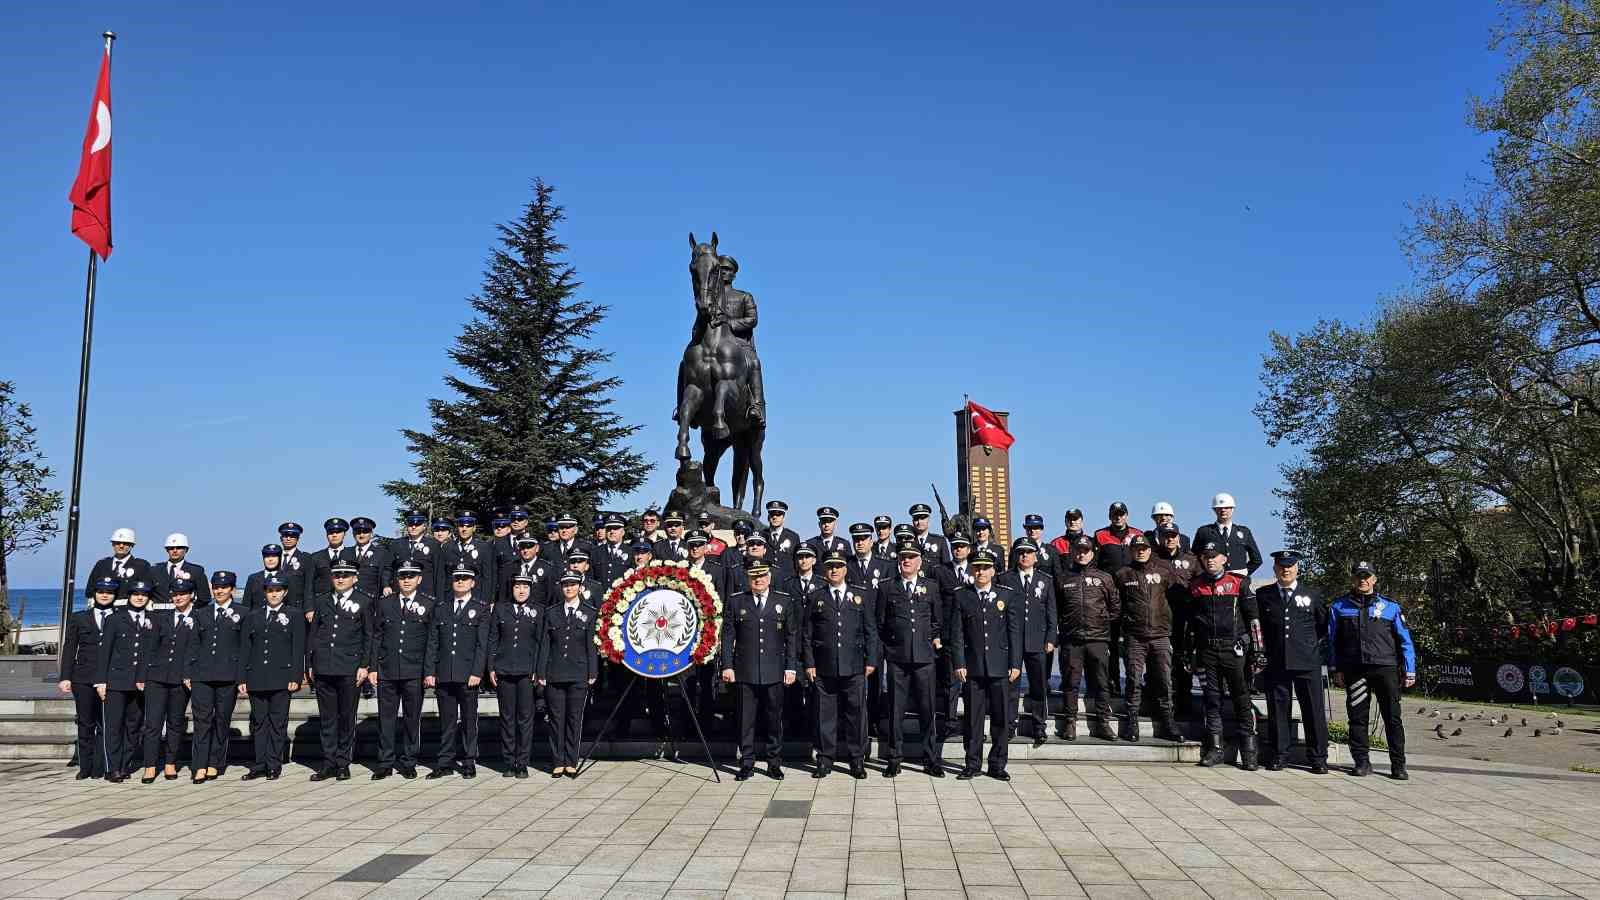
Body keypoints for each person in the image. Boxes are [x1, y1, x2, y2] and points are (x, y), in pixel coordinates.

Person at [1329, 560, 1416, 780]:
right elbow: (1331, 641)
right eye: (1359, 576)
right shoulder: (1339, 607)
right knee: (1357, 718)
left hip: (1385, 669)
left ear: (1374, 580)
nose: (1362, 580)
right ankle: (1361, 762)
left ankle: (1398, 765)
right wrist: (1335, 668)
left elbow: (1405, 641)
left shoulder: (1390, 607)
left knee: (1392, 718)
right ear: (1352, 579)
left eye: (1367, 576)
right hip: (1355, 671)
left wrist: (1410, 669)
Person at [1187, 540, 1262, 769]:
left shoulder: (1239, 583)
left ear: (1224, 559)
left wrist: (1258, 650)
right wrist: (1188, 651)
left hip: (1234, 650)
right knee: (1212, 700)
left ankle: (1249, 750)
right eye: (1206, 556)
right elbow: (1190, 625)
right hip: (1207, 651)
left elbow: (1254, 620)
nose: (1210, 559)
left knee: (1241, 699)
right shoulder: (1196, 586)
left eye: (1215, 555)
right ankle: (1215, 748)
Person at [801, 550, 876, 779]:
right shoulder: (816, 597)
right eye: (830, 566)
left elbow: (870, 632)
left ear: (845, 569)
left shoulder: (860, 596)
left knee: (856, 715)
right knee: (825, 715)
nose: (834, 569)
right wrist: (810, 663)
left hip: (854, 667)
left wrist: (871, 660)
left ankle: (856, 760)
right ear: (825, 569)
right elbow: (807, 634)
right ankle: (824, 759)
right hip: (824, 668)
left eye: (838, 566)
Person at [721, 559, 798, 780]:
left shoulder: (783, 600)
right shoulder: (737, 601)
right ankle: (747, 762)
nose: (759, 580)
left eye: (762, 576)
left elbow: (791, 636)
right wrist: (728, 665)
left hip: (775, 671)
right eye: (754, 576)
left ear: (770, 577)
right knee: (746, 720)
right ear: (748, 578)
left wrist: (791, 667)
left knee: (774, 719)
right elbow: (727, 636)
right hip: (745, 671)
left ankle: (774, 762)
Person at [1255, 550, 1330, 774]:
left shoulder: (1313, 594)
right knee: (1278, 711)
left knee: (1314, 711)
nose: (1285, 569)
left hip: (1307, 662)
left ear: (1297, 568)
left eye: (1290, 565)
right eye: (1281, 566)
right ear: (1275, 569)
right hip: (1277, 661)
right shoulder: (1264, 595)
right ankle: (1280, 755)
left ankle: (1318, 757)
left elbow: (1322, 626)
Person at [949, 550, 1022, 780]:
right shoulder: (962, 596)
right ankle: (972, 763)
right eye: (976, 567)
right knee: (973, 719)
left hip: (1000, 667)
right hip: (973, 668)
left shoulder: (1006, 595)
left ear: (993, 570)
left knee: (1000, 718)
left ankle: (997, 764)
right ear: (972, 570)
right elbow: (957, 634)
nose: (980, 571)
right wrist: (959, 662)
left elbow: (1014, 633)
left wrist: (1015, 663)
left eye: (985, 567)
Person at [878, 540, 946, 777]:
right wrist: (889, 649)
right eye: (902, 556)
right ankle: (894, 759)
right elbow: (881, 622)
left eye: (910, 556)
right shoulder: (887, 587)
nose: (905, 560)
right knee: (896, 710)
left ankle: (931, 759)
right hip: (897, 659)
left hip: (925, 659)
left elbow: (937, 620)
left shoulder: (931, 587)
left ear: (920, 561)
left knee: (927, 711)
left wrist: (932, 641)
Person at [369, 559, 437, 780]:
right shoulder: (385, 604)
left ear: (419, 579)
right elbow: (376, 636)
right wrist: (373, 667)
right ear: (397, 580)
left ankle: (409, 761)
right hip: (387, 669)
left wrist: (429, 671)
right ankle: (385, 762)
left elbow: (431, 641)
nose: (406, 580)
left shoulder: (429, 603)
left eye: (411, 576)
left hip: (414, 670)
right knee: (386, 718)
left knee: (411, 718)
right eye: (402, 577)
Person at [306, 560, 373, 781]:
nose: (340, 579)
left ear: (355, 578)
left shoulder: (364, 601)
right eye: (336, 575)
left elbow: (368, 636)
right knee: (327, 719)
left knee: (346, 718)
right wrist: (310, 664)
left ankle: (343, 763)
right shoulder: (322, 601)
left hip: (349, 668)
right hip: (324, 667)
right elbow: (313, 635)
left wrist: (365, 665)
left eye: (345, 575)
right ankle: (328, 763)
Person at [1114, 535, 1184, 742]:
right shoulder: (1123, 574)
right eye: (1137, 548)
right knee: (1134, 679)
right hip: (1135, 636)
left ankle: (1167, 720)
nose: (1141, 551)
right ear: (1131, 551)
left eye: (1144, 548)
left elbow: (1178, 596)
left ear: (1150, 550)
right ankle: (1132, 720)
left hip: (1161, 635)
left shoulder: (1163, 570)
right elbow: (1116, 607)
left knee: (1164, 679)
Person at [1053, 534, 1118, 741]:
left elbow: (1115, 607)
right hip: (1072, 639)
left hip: (1098, 639)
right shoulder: (1063, 578)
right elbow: (1056, 608)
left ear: (1092, 552)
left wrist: (1101, 620)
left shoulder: (1104, 577)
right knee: (1071, 682)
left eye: (1086, 551)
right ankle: (1070, 722)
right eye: (1078, 551)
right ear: (1072, 552)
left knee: (1101, 682)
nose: (1081, 554)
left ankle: (1103, 722)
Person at [240, 576, 305, 781]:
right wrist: (242, 677)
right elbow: (245, 648)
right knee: (259, 722)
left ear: (285, 592)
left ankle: (274, 764)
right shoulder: (253, 615)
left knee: (278, 722)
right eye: (270, 590)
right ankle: (259, 764)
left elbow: (298, 647)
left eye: (278, 590)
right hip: (256, 676)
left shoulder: (294, 614)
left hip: (281, 676)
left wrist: (295, 675)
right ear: (265, 592)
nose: (274, 594)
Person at [427, 565, 489, 779]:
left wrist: (477, 672)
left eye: (465, 579)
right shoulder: (441, 607)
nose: (460, 582)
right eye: (457, 579)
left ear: (472, 583)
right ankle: (445, 762)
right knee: (447, 721)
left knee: (469, 720)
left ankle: (469, 760)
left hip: (468, 675)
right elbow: (433, 642)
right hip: (444, 673)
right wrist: (430, 671)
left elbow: (482, 645)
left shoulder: (480, 608)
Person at [95, 580, 155, 782]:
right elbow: (104, 652)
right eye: (136, 594)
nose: (140, 597)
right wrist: (101, 681)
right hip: (116, 681)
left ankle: (125, 764)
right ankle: (112, 767)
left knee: (134, 726)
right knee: (114, 726)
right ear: (129, 596)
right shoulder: (115, 619)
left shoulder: (153, 619)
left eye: (144, 594)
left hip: (141, 683)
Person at [998, 538, 1056, 746]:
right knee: (1011, 687)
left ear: (1035, 556)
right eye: (1020, 552)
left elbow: (1051, 612)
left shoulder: (1045, 580)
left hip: (1037, 642)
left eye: (1028, 552)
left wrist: (1051, 637)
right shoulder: (1004, 578)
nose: (1024, 556)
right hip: (1011, 643)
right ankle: (1009, 726)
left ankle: (1039, 727)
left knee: (1039, 686)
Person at [189, 572, 247, 783]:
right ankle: (199, 765)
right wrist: (189, 672)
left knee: (222, 721)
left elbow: (244, 649)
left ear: (232, 589)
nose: (219, 591)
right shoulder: (201, 613)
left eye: (223, 587)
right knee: (201, 721)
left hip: (228, 676)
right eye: (215, 587)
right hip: (202, 676)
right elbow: (193, 645)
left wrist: (242, 678)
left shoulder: (243, 612)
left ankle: (215, 762)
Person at [541, 569, 598, 777]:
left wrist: (593, 670)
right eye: (566, 585)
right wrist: (541, 671)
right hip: (555, 671)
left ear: (580, 587)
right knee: (556, 718)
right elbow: (545, 644)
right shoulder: (552, 612)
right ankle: (558, 760)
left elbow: (591, 645)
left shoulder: (590, 612)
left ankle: (571, 760)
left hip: (579, 672)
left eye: (573, 584)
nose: (569, 588)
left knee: (574, 718)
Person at [59, 577, 118, 779]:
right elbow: (69, 648)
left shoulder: (120, 617)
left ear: (114, 595)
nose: (104, 594)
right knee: (85, 723)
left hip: (111, 678)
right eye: (101, 591)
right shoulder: (79, 618)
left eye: (109, 592)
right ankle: (85, 766)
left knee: (106, 724)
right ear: (94, 593)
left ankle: (100, 767)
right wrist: (65, 676)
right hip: (82, 678)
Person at [142, 576, 199, 782]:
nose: (179, 597)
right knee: (153, 723)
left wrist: (190, 674)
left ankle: (170, 763)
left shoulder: (199, 618)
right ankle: (149, 765)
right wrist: (143, 675)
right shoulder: (161, 617)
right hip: (157, 677)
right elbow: (150, 648)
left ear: (191, 595)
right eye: (175, 594)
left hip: (180, 679)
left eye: (183, 594)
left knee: (175, 723)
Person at [489, 574, 544, 778]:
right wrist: (491, 667)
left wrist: (538, 669)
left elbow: (540, 643)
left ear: (530, 589)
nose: (521, 590)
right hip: (504, 669)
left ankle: (522, 762)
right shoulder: (501, 609)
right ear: (511, 589)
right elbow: (493, 639)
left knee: (525, 719)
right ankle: (509, 761)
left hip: (527, 672)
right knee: (507, 718)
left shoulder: (538, 610)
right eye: (517, 586)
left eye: (525, 587)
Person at [1154, 524, 1200, 718]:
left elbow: (1200, 586)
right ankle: (1162, 704)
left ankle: (1184, 702)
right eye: (1166, 536)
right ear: (1160, 538)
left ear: (1178, 538)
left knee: (1183, 663)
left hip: (1185, 620)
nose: (1170, 539)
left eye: (1173, 535)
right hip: (1160, 620)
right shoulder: (1153, 560)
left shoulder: (1191, 560)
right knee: (1160, 663)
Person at [1191, 493, 1263, 585]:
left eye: (1227, 507)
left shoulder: (1244, 532)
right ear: (1214, 510)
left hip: (1239, 582)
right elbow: (1194, 557)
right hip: (1213, 581)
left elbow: (1257, 560)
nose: (1223, 510)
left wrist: (1244, 573)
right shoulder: (1204, 532)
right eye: (1219, 508)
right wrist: (1206, 573)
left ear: (1232, 509)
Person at [441, 513, 495, 605]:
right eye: (461, 526)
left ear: (474, 528)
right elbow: (443, 576)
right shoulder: (447, 547)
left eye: (468, 526)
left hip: (476, 598)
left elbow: (487, 578)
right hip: (451, 599)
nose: (464, 529)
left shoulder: (483, 548)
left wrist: (485, 602)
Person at [87, 528, 149, 603]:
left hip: (128, 610)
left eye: (125, 543)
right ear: (112, 544)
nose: (121, 546)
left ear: (132, 545)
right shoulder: (101, 564)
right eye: (117, 543)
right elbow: (90, 590)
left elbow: (147, 591)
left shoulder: (141, 566)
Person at [393, 510, 443, 599]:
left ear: (424, 526)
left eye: (417, 524)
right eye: (410, 524)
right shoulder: (396, 544)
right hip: (400, 595)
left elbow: (438, 574)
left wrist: (439, 600)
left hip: (425, 596)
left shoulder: (433, 545)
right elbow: (388, 568)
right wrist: (386, 585)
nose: (413, 527)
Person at [151, 533, 207, 612]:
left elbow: (204, 598)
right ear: (167, 550)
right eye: (171, 548)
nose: (175, 550)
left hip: (184, 616)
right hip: (158, 616)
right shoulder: (154, 570)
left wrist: (190, 611)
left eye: (179, 548)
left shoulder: (196, 571)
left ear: (186, 550)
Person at [244, 544, 304, 611]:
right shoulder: (253, 578)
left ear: (280, 558)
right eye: (267, 556)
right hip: (256, 620)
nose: (270, 559)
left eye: (274, 556)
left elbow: (292, 605)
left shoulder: (289, 578)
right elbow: (246, 607)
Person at [349, 517, 395, 600]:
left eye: (365, 531)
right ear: (353, 533)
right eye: (358, 532)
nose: (361, 535)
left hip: (371, 602)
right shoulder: (345, 553)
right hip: (349, 601)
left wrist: (386, 586)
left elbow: (385, 574)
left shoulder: (381, 553)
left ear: (371, 534)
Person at [309, 518, 354, 599]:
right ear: (326, 534)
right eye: (331, 532)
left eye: (338, 532)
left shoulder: (353, 555)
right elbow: (309, 585)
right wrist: (310, 608)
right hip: (321, 604)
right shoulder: (315, 557)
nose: (334, 535)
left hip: (347, 603)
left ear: (345, 534)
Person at [908, 503, 953, 569]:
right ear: (912, 521)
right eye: (916, 519)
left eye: (923, 518)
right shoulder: (909, 541)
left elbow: (946, 569)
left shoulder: (940, 541)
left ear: (928, 519)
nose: (919, 522)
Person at [277, 521, 314, 600]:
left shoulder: (305, 558)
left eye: (293, 536)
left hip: (297, 606)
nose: (288, 538)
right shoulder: (275, 557)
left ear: (298, 539)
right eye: (285, 536)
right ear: (281, 538)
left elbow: (309, 586)